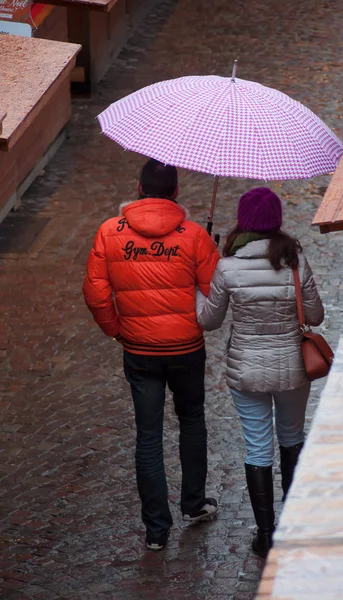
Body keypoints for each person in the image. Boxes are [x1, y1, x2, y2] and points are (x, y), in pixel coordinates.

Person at [83, 158, 220, 551]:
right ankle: (194, 503)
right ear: (176, 192)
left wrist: (117, 330)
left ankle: (156, 529)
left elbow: (95, 293)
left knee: (148, 436)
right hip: (187, 350)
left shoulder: (110, 232)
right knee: (192, 421)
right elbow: (215, 296)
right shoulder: (194, 236)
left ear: (138, 188)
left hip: (139, 352)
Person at [196, 187, 324, 559]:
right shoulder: (295, 261)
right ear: (277, 222)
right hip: (292, 369)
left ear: (243, 222)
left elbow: (209, 320)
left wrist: (197, 286)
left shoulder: (227, 266)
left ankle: (266, 535)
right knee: (291, 437)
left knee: (257, 446)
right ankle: (295, 523)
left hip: (246, 370)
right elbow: (314, 316)